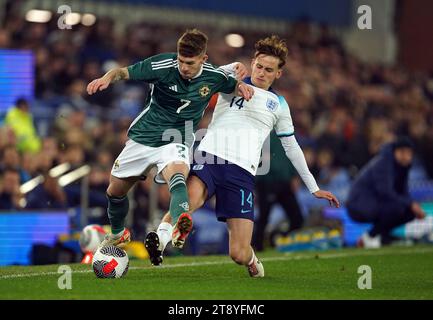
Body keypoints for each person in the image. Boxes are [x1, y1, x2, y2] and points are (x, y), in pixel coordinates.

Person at [145, 35, 339, 277]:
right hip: (210, 157)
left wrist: (313, 188)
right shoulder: (230, 82)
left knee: (238, 253)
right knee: (189, 200)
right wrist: (230, 68)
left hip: (242, 172)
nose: (261, 73)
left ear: (278, 74)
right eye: (258, 66)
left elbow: (292, 147)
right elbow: (200, 76)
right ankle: (160, 240)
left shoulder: (278, 104)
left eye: (269, 70)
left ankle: (252, 260)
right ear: (252, 62)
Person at [86, 29, 253, 248]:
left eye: (190, 63)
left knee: (178, 176)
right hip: (145, 135)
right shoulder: (162, 65)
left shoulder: (214, 77)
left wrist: (241, 84)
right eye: (181, 60)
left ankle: (181, 221)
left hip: (178, 137)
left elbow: (232, 84)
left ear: (204, 59)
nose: (184, 67)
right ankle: (118, 233)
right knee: (114, 191)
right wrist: (107, 77)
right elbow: (124, 72)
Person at [346, 136, 426, 248]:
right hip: (358, 205)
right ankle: (369, 237)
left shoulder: (403, 167)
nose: (406, 157)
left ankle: (383, 237)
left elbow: (403, 192)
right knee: (398, 207)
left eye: (409, 153)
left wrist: (412, 205)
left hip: (375, 202)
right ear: (395, 151)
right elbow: (385, 192)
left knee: (409, 212)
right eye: (402, 152)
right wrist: (410, 203)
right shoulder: (384, 163)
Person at [253, 131, 304, 252]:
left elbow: (292, 154)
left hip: (284, 182)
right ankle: (257, 246)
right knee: (264, 217)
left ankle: (279, 238)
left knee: (297, 218)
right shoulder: (261, 131)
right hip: (267, 182)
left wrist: (294, 175)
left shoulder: (286, 132)